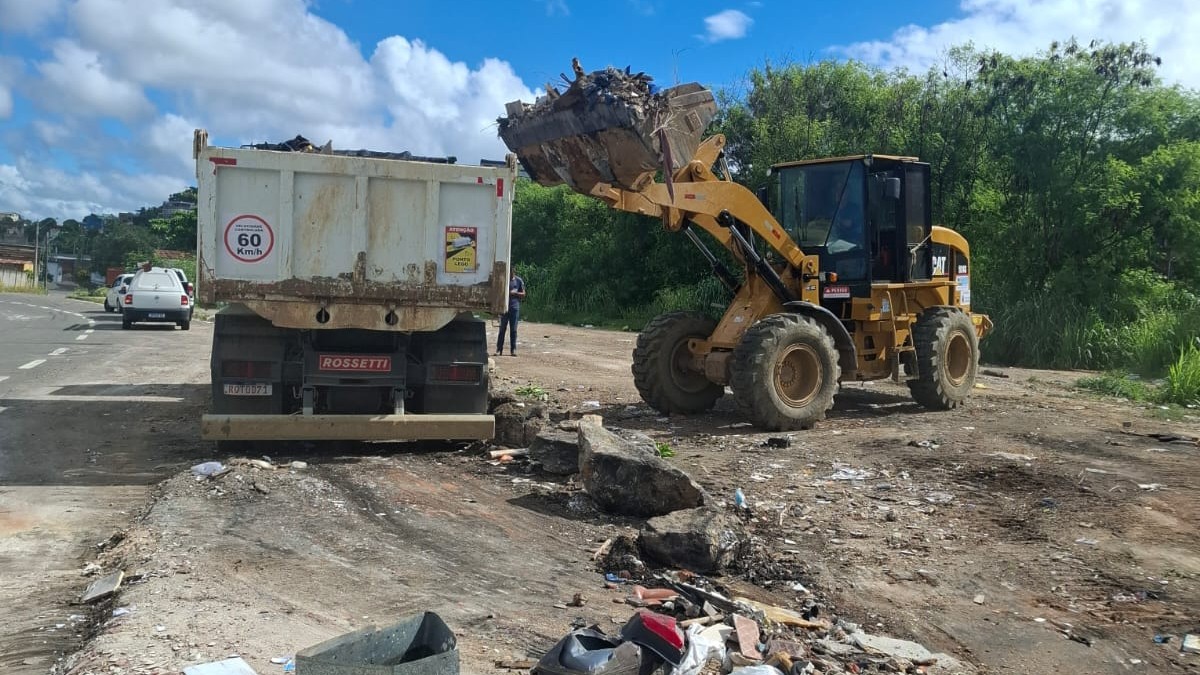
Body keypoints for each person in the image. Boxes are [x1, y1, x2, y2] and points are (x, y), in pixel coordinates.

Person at [496, 269, 526, 356]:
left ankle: (513, 350)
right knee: (502, 329)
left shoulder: (518, 281)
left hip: (514, 308)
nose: (510, 274)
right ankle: (499, 349)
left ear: (514, 272)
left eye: (511, 272)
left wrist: (515, 293)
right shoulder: (504, 280)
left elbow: (523, 294)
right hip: (504, 308)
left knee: (513, 330)